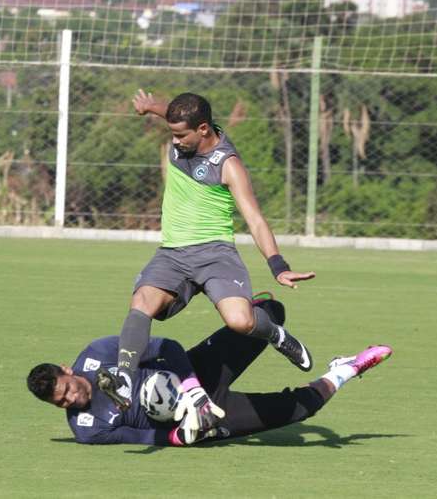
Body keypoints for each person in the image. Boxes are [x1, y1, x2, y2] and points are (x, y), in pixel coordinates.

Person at [112, 90, 316, 414]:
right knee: (142, 303)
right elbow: (173, 114)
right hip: (173, 253)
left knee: (240, 322)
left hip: (216, 254)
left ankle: (275, 334)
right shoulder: (184, 128)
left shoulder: (229, 165)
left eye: (181, 135)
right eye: (172, 132)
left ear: (203, 129)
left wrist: (278, 265)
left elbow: (255, 219)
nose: (175, 141)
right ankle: (123, 379)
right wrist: (151, 106)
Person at [27, 298, 392, 446]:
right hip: (200, 419)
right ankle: (347, 368)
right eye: (61, 402)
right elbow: (143, 439)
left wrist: (189, 386)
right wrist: (182, 436)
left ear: (67, 369)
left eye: (68, 388)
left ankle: (252, 307)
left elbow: (166, 348)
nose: (72, 399)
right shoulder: (87, 430)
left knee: (269, 312)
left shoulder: (98, 353)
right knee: (302, 410)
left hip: (192, 372)